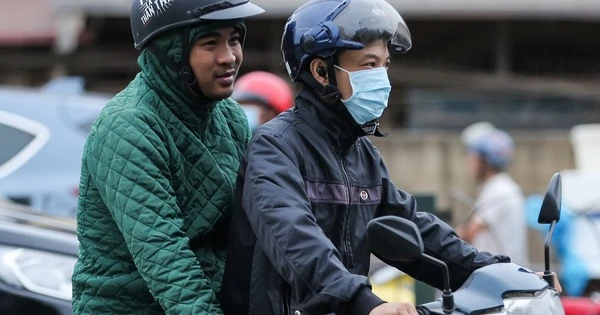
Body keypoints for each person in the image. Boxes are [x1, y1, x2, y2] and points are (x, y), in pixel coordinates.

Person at [219, 1, 511, 314]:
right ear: (321, 71)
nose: (382, 78)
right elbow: (294, 237)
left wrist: (498, 274)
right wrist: (363, 303)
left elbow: (414, 230)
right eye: (369, 64)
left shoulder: (362, 156)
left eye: (385, 65)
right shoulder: (275, 147)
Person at [71, 0, 264, 314]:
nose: (229, 57)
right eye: (210, 43)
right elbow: (165, 257)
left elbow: (255, 227)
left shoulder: (230, 117)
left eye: (234, 39)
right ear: (172, 50)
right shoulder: (129, 127)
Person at [457, 122, 530, 267]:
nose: (469, 162)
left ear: (484, 161)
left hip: (499, 274)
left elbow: (468, 234)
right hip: (505, 271)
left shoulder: (497, 190)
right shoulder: (503, 186)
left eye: (473, 157)